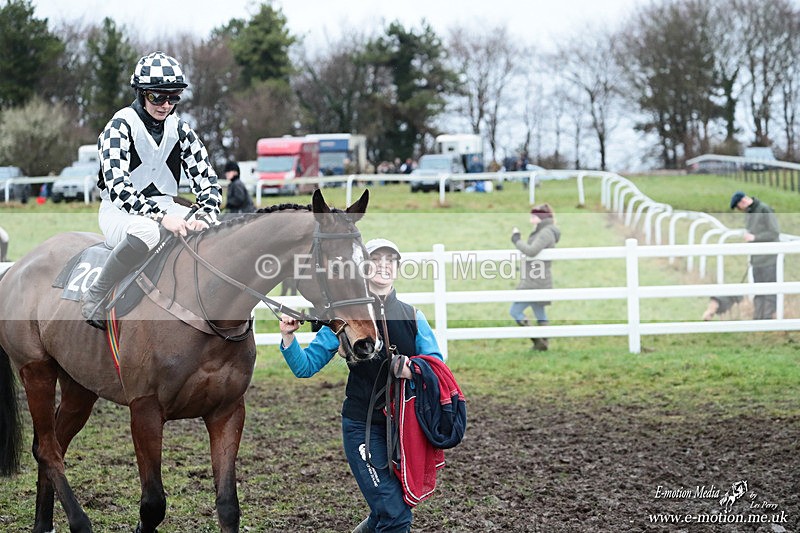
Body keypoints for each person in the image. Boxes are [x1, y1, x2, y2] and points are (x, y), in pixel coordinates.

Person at [278, 238, 442, 533]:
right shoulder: (345, 318)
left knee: (385, 513)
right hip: (362, 427)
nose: (383, 266)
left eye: (390, 261)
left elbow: (436, 369)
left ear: (397, 268)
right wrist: (289, 337)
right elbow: (305, 367)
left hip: (403, 431)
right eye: (375, 260)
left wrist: (412, 369)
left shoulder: (412, 317)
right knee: (396, 516)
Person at [81, 51, 222, 329]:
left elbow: (208, 181)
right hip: (120, 211)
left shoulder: (182, 130)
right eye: (157, 97)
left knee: (216, 230)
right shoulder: (119, 126)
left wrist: (204, 215)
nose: (166, 105)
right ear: (141, 93)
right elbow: (118, 188)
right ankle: (96, 294)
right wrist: (160, 217)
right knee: (149, 232)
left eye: (173, 97)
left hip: (167, 206)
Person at [509, 204, 561, 351]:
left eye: (534, 215)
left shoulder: (545, 233)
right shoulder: (544, 231)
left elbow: (532, 251)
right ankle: (543, 343)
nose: (531, 218)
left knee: (515, 311)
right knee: (540, 313)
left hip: (535, 281)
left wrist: (516, 240)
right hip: (539, 278)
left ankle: (538, 341)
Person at [730, 191, 781, 320]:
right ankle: (758, 318)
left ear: (742, 202)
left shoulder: (764, 209)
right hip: (757, 259)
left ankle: (767, 319)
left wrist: (755, 238)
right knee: (758, 291)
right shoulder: (750, 213)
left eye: (738, 207)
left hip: (769, 258)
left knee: (769, 291)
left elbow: (774, 232)